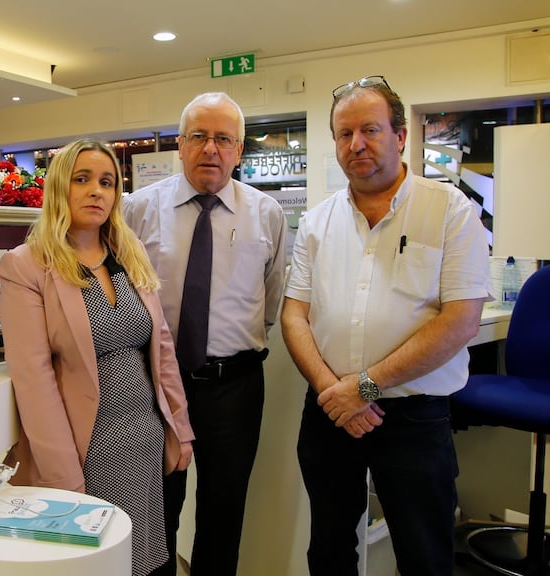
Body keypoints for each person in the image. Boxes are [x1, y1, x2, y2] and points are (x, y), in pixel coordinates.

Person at [281, 75, 491, 575]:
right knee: (329, 550)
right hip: (330, 413)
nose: (357, 144)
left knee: (424, 554)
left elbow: (461, 321)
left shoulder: (450, 211)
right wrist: (337, 391)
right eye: (344, 133)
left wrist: (367, 387)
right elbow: (295, 314)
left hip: (412, 418)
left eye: (370, 130)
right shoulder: (317, 221)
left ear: (399, 136)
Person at [0, 138, 195, 576]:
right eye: (82, 179)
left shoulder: (129, 253)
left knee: (148, 556)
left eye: (107, 182)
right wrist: (63, 478)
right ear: (58, 189)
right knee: (100, 560)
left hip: (143, 437)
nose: (96, 191)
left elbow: (160, 347)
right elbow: (34, 381)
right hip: (87, 448)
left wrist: (179, 427)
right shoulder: (26, 266)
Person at [123, 92, 287, 575]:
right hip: (154, 385)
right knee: (157, 511)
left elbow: (272, 296)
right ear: (180, 144)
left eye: (223, 139)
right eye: (199, 137)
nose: (210, 149)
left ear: (239, 150)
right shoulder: (139, 210)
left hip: (234, 386)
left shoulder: (266, 214)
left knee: (224, 511)